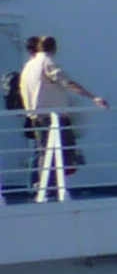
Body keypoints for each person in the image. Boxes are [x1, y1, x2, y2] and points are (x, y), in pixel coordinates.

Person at [16, 34, 105, 201]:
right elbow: (67, 82)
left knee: (45, 152)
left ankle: (45, 188)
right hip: (53, 117)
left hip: (36, 116)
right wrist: (93, 97)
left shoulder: (29, 66)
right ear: (53, 47)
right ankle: (48, 189)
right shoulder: (48, 63)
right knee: (60, 152)